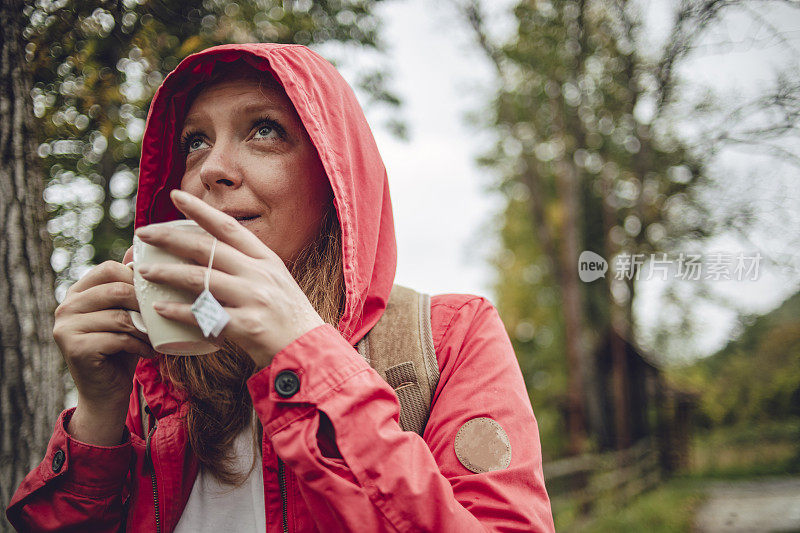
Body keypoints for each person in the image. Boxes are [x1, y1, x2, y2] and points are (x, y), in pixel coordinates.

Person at [7, 43, 555, 532]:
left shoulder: (451, 338)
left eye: (264, 130)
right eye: (195, 142)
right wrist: (97, 418)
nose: (212, 169)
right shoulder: (153, 375)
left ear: (335, 179)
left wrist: (305, 354)